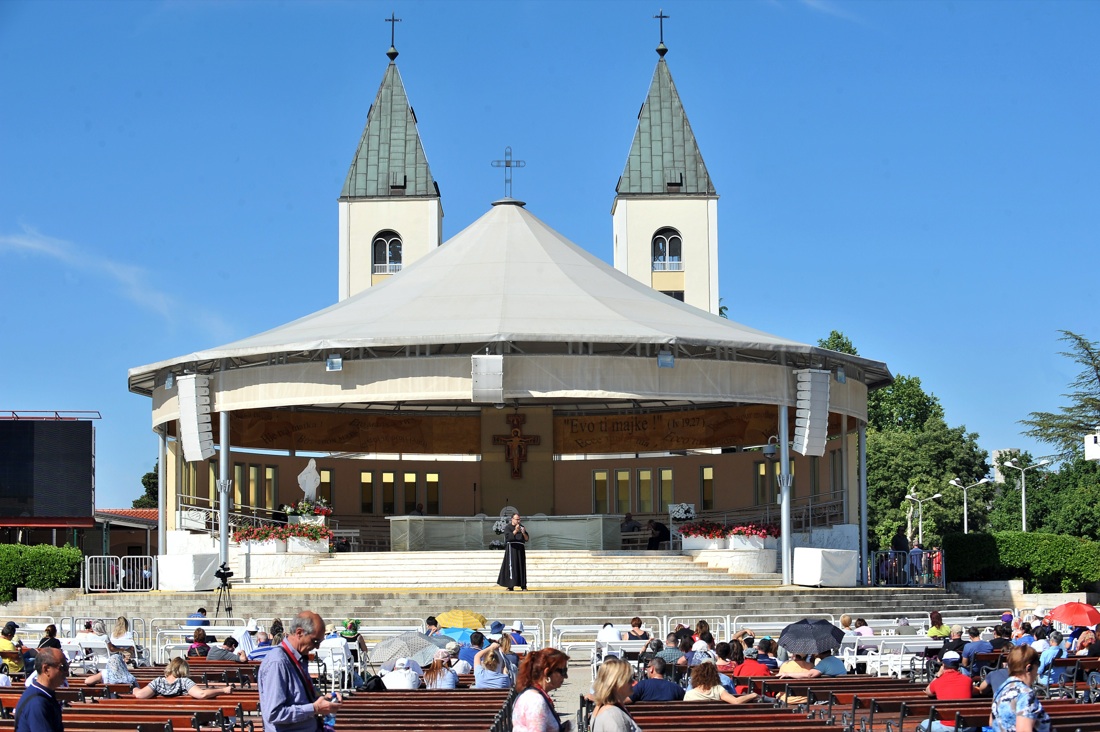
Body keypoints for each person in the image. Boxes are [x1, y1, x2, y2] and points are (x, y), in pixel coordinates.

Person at [257, 610, 342, 732]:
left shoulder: (298, 657)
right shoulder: (278, 662)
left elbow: (299, 698)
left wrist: (323, 699)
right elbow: (274, 714)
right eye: (315, 641)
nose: (317, 647)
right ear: (299, 633)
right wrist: (314, 708)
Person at [989, 645, 1051, 732]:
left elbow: (992, 722)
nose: (1037, 672)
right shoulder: (1025, 694)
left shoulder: (1000, 689)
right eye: (1038, 664)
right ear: (1028, 667)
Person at [511, 647, 571, 731]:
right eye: (563, 671)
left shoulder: (532, 694)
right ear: (547, 673)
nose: (566, 676)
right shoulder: (536, 701)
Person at [917, 651, 974, 732]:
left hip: (948, 726)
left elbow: (928, 691)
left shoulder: (938, 681)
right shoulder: (967, 680)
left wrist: (938, 674)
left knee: (923, 724)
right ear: (958, 664)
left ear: (943, 664)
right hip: (967, 726)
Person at [13, 647, 67, 732]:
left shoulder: (42, 694)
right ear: (46, 669)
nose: (66, 672)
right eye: (63, 667)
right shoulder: (38, 702)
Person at [133, 657, 233, 699]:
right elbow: (202, 694)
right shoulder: (184, 682)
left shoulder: (158, 682)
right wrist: (223, 690)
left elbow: (140, 695)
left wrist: (135, 688)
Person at [589, 656, 641, 732]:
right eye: (629, 679)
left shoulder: (604, 708)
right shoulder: (613, 715)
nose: (633, 682)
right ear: (617, 683)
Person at [684, 661, 758, 704]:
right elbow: (736, 701)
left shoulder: (689, 694)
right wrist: (753, 695)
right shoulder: (718, 689)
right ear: (715, 675)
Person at [497, 512, 530, 591]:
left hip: (520, 548)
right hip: (512, 548)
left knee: (521, 566)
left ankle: (523, 585)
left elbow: (526, 538)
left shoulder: (522, 527)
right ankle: (510, 585)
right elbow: (508, 538)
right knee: (511, 566)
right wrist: (515, 530)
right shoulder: (508, 527)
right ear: (512, 519)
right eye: (517, 519)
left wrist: (523, 532)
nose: (518, 521)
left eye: (519, 519)